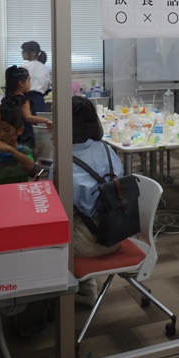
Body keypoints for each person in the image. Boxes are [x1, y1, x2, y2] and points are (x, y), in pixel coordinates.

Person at [50, 97, 124, 305]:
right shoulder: (107, 150)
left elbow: (56, 210)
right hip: (118, 234)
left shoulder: (62, 162)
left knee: (38, 234)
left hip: (88, 245)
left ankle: (59, 293)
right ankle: (86, 288)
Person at [0, 103, 36, 185]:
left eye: (7, 130)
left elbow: (31, 167)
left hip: (17, 191)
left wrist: (11, 150)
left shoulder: (25, 151)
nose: (1, 135)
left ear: (20, 130)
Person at [3, 66, 53, 148]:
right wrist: (46, 120)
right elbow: (28, 117)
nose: (30, 83)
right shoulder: (23, 99)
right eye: (29, 80)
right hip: (24, 134)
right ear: (21, 84)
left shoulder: (7, 98)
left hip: (10, 134)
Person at [21, 41, 51, 112]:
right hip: (40, 100)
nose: (22, 53)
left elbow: (20, 84)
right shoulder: (44, 68)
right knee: (39, 117)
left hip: (26, 98)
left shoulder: (24, 67)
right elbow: (47, 86)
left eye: (24, 51)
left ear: (33, 53)